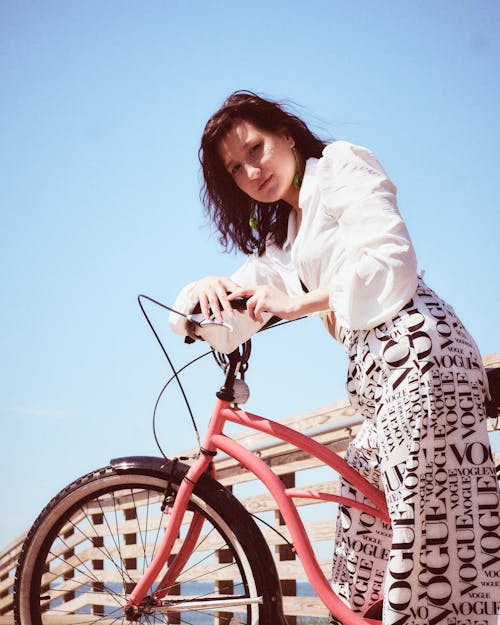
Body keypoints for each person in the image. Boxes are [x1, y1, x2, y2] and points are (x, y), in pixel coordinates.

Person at [169, 91, 500, 624]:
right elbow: (237, 314)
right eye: (235, 168)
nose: (252, 171)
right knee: (361, 551)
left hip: (421, 351)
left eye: (256, 149)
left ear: (287, 136)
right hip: (378, 380)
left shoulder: (341, 165)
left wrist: (299, 301)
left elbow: (392, 258)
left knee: (429, 554)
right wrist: (205, 289)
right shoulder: (287, 237)